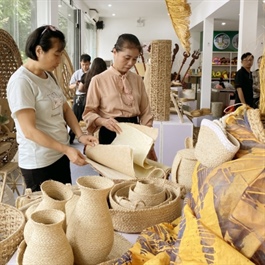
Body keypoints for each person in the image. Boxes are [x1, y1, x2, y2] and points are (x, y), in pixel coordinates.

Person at [7, 25, 98, 192]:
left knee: (64, 207)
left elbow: (65, 109)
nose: (59, 61)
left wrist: (80, 135)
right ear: (39, 50)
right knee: (47, 215)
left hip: (59, 155)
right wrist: (66, 149)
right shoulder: (21, 82)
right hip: (39, 163)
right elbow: (29, 131)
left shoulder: (49, 76)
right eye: (56, 54)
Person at [83, 33, 157, 161]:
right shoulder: (98, 80)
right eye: (127, 57)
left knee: (135, 175)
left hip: (135, 132)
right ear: (115, 52)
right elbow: (89, 113)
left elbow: (145, 112)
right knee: (111, 177)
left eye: (134, 59)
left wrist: (147, 139)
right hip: (110, 132)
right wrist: (103, 121)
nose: (130, 63)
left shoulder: (137, 80)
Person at [69, 53, 91, 143]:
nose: (85, 66)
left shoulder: (92, 73)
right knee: (74, 118)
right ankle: (70, 137)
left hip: (89, 96)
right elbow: (70, 86)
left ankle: (89, 137)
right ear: (80, 63)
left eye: (86, 64)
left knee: (90, 117)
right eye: (83, 64)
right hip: (79, 97)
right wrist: (76, 84)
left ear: (90, 63)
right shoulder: (77, 73)